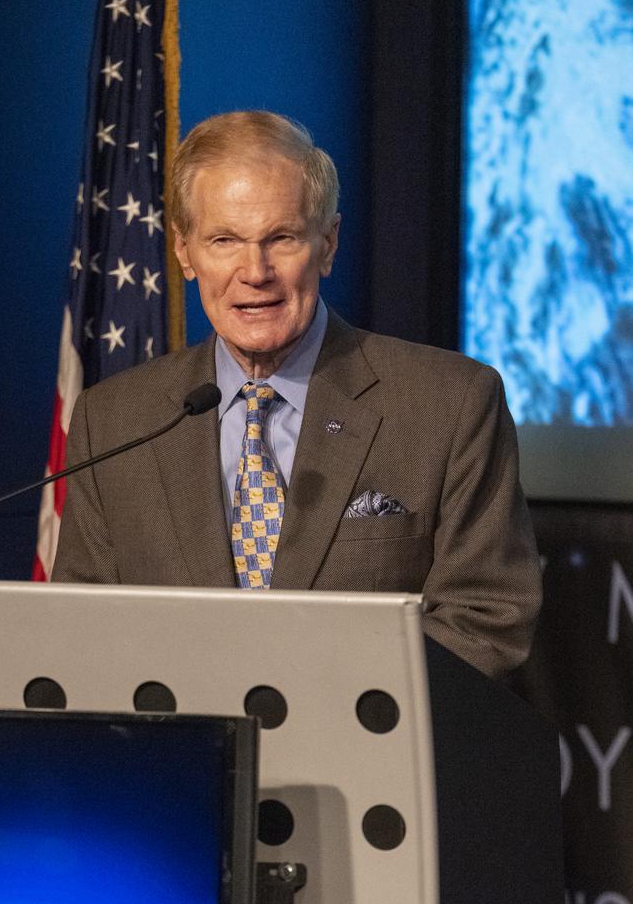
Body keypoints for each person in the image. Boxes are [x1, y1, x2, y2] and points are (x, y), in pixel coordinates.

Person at [52, 110, 541, 679]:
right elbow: (81, 623)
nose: (254, 271)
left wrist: (310, 705)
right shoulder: (114, 420)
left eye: (281, 238)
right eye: (224, 240)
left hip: (367, 754)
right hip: (180, 755)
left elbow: (488, 618)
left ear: (327, 243)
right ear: (185, 253)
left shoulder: (448, 405)